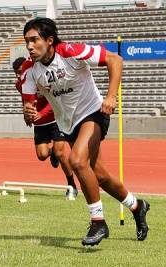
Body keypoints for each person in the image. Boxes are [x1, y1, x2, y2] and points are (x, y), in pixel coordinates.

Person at [21, 18, 150, 246]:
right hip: (68, 125)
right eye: (26, 41)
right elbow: (28, 105)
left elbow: (115, 59)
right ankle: (137, 206)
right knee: (99, 176)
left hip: (93, 113)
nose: (29, 46)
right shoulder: (30, 71)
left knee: (78, 162)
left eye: (34, 40)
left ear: (50, 41)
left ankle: (98, 221)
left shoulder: (70, 51)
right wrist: (28, 112)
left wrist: (111, 97)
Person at [13, 57, 78, 200]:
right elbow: (26, 100)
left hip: (56, 118)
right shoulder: (20, 84)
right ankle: (52, 152)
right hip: (39, 123)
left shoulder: (42, 77)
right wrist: (26, 114)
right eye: (16, 73)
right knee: (42, 155)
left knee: (61, 153)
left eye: (20, 72)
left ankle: (72, 185)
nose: (19, 76)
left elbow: (55, 99)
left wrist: (41, 113)